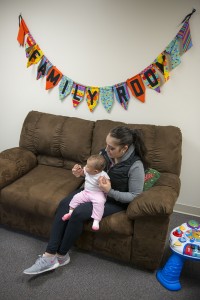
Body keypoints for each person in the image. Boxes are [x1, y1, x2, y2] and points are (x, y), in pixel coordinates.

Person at [23, 126, 149, 275]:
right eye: (106, 144)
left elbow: (135, 195)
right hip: (92, 191)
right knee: (65, 204)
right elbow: (92, 172)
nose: (106, 150)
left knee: (78, 213)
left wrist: (110, 191)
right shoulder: (105, 154)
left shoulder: (136, 165)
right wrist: (81, 173)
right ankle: (49, 256)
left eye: (111, 148)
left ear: (124, 148)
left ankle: (62, 256)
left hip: (113, 200)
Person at [62, 154, 110, 231]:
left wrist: (104, 183)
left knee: (100, 202)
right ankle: (70, 212)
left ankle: (96, 220)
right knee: (75, 198)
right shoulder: (87, 170)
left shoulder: (103, 175)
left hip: (97, 194)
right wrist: (78, 170)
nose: (85, 167)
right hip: (86, 192)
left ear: (95, 171)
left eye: (87, 166)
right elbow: (82, 172)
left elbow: (108, 184)